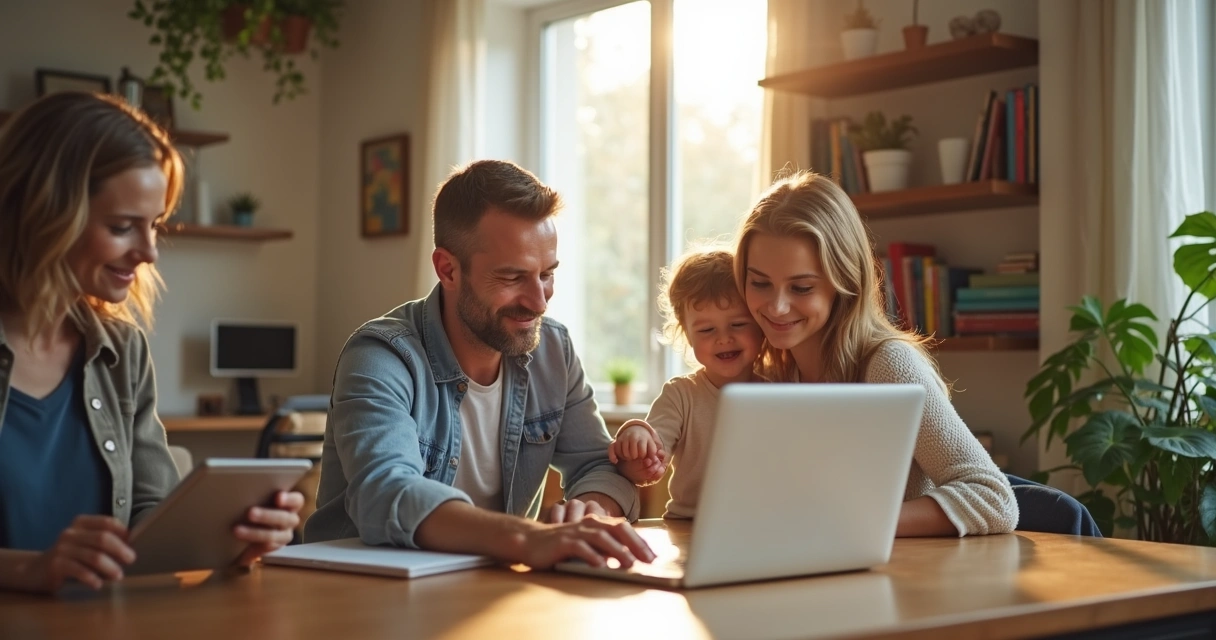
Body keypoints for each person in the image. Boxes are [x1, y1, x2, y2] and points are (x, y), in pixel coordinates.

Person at [0, 92, 305, 593]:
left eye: (155, 226)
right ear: (42, 214)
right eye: (122, 227)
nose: (148, 252)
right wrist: (28, 570)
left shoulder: (123, 353)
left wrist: (231, 542)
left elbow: (151, 519)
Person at [305, 160, 655, 569]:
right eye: (512, 278)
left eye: (546, 274)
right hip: (359, 595)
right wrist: (529, 538)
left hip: (490, 589)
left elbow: (600, 465)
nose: (539, 302)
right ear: (448, 269)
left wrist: (588, 514)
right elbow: (387, 494)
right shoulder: (380, 357)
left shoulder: (552, 349)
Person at [733, 171, 1018, 537]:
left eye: (801, 287)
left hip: (906, 581)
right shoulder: (768, 372)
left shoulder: (888, 364)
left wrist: (854, 524)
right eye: (760, 283)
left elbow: (994, 499)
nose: (778, 306)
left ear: (845, 282)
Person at [608, 248, 765, 517]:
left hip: (764, 525)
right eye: (706, 330)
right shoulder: (680, 395)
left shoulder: (782, 388)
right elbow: (652, 448)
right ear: (687, 335)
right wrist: (636, 441)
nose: (723, 338)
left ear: (761, 325)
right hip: (690, 524)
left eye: (738, 324)